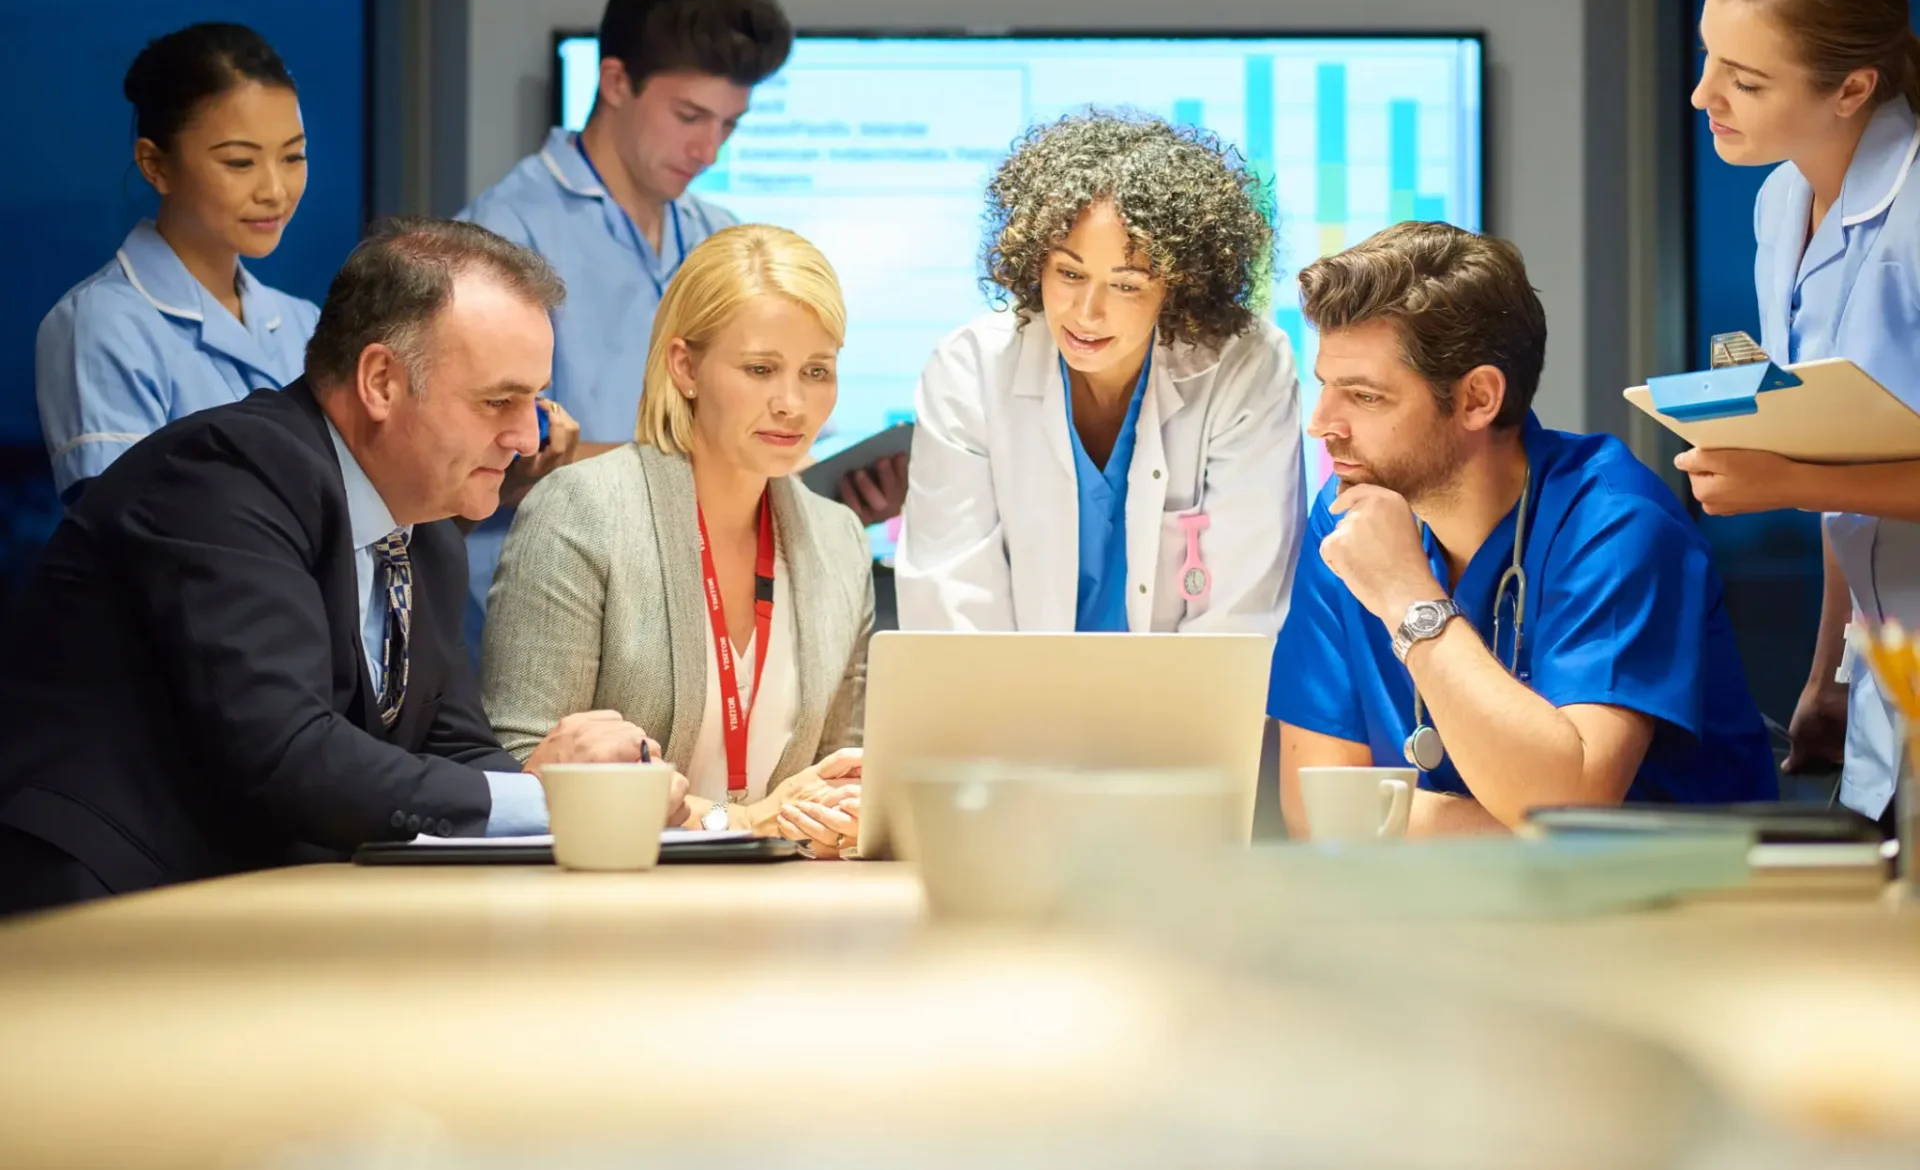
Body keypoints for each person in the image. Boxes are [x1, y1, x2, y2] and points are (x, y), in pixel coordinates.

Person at [0, 218, 683, 915]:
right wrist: (548, 797)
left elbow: (453, 753)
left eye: (535, 400)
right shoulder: (227, 475)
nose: (528, 435)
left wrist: (598, 801)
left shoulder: (425, 531)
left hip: (248, 913)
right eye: (497, 401)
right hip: (98, 914)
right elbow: (285, 752)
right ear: (381, 380)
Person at [1272, 222, 1778, 838]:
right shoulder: (1346, 517)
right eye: (1325, 387)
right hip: (1444, 920)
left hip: (1663, 920)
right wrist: (1513, 827)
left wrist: (1409, 596)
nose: (1322, 423)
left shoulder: (1616, 525)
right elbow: (1315, 813)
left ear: (1478, 398)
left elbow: (1567, 808)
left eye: (1366, 397)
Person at [454, 0, 805, 653]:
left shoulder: (721, 238)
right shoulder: (502, 236)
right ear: (614, 81)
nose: (708, 149)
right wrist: (704, 461)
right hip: (541, 621)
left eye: (729, 125)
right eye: (689, 115)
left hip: (693, 625)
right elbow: (472, 457)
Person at [482, 225, 870, 856]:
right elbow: (523, 767)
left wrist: (845, 814)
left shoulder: (840, 539)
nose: (793, 403)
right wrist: (741, 821)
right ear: (685, 367)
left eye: (817, 371)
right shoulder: (583, 508)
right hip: (613, 911)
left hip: (791, 913)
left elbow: (844, 767)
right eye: (761, 369)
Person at [1677, 0, 1920, 830]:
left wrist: (1782, 479)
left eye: (1743, 80)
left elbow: (1823, 471)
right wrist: (1829, 674)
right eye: (1708, 60)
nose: (1704, 97)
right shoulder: (1781, 204)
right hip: (1886, 670)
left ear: (1852, 87)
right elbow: (1838, 442)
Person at [896, 113, 1304, 634]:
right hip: (1007, 709)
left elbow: (1239, 616)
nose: (1087, 313)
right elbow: (953, 610)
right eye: (1069, 273)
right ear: (1034, 261)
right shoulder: (970, 369)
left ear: (1180, 286)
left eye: (1127, 285)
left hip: (1185, 707)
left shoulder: (1245, 367)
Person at [37, 23, 319, 504]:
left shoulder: (304, 322)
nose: (274, 190)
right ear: (155, 165)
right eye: (239, 163)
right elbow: (131, 539)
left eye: (292, 157)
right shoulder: (102, 324)